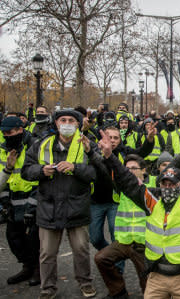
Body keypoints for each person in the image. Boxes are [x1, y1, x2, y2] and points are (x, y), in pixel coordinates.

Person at [101, 125, 180, 298]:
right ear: (159, 184)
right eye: (164, 184)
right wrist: (108, 156)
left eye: (173, 184)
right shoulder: (152, 200)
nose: (168, 187)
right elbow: (127, 181)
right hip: (156, 277)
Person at [21, 109, 98, 299]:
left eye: (71, 120)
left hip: (77, 205)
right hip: (49, 206)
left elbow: (97, 173)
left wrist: (76, 168)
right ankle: (47, 288)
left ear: (78, 124)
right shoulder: (41, 145)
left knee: (81, 250)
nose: (67, 123)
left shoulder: (87, 145)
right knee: (47, 253)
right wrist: (41, 170)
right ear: (56, 123)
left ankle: (85, 282)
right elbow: (26, 170)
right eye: (63, 119)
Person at [94, 155, 149, 299]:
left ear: (143, 170)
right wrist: (90, 152)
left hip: (143, 245)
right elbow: (104, 169)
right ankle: (118, 292)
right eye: (127, 168)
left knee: (148, 288)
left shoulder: (153, 186)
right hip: (124, 242)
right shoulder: (121, 187)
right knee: (101, 258)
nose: (129, 171)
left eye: (133, 168)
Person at [0, 116, 40, 286]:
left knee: (33, 237)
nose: (8, 135)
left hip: (33, 195)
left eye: (12, 132)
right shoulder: (3, 149)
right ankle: (27, 266)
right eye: (5, 133)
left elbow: (39, 174)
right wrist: (4, 201)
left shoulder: (34, 145)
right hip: (13, 197)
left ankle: (38, 269)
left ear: (20, 130)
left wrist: (34, 204)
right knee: (13, 237)